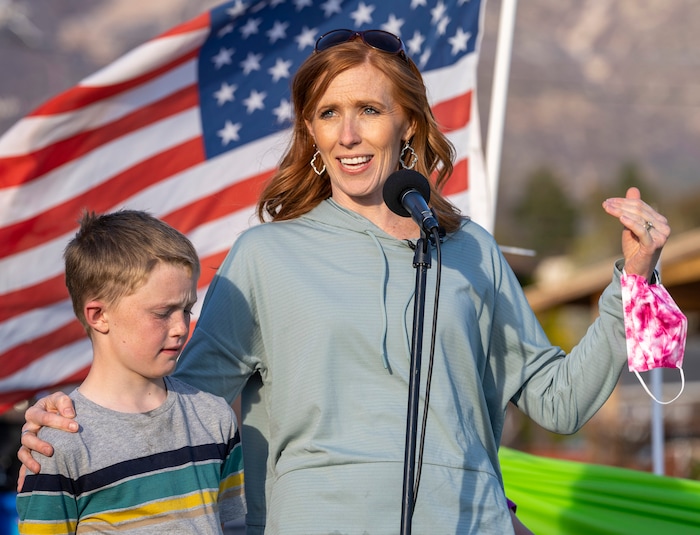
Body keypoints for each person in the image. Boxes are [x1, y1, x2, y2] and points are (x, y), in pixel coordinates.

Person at [18, 29, 669, 535]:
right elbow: (177, 414)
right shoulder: (265, 257)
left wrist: (631, 280)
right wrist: (76, 419)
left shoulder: (472, 251)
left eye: (368, 109)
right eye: (329, 113)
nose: (349, 135)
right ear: (309, 129)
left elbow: (558, 402)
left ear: (407, 122)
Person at [16, 210, 246, 534]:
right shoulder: (58, 445)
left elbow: (228, 524)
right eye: (162, 312)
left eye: (187, 309)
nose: (181, 327)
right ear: (99, 316)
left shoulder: (215, 418)